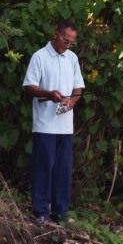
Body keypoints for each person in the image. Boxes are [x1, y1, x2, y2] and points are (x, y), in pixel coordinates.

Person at [22, 20, 85, 224]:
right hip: (45, 124)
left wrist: (71, 102)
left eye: (71, 43)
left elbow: (78, 90)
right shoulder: (39, 56)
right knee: (43, 167)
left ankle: (60, 212)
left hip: (65, 126)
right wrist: (49, 94)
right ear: (56, 35)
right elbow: (29, 87)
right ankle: (41, 211)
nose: (68, 46)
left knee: (63, 169)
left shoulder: (72, 58)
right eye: (66, 41)